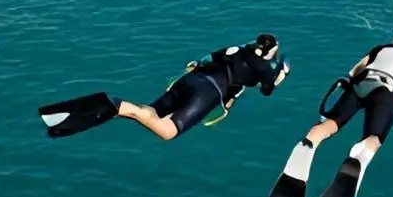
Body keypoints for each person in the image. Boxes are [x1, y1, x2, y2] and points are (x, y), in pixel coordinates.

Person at [257, 26, 393, 197]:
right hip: (386, 90)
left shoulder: (381, 48)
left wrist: (350, 82)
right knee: (373, 139)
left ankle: (311, 140)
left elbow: (357, 68)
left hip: (360, 84)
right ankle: (360, 154)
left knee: (329, 125)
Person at [38, 35, 289, 141]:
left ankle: (104, 111)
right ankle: (118, 104)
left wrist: (195, 66)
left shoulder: (238, 49)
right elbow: (267, 90)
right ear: (271, 50)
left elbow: (205, 59)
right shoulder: (265, 68)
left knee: (150, 112)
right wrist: (280, 77)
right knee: (167, 131)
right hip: (208, 92)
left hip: (192, 80)